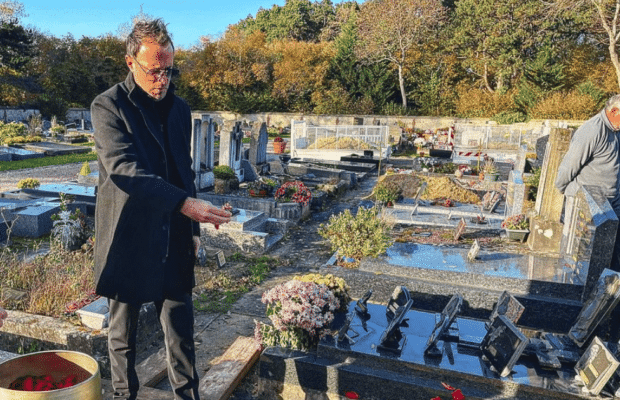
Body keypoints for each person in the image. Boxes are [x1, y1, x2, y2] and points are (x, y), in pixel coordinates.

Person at [91, 18, 231, 400]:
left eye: (169, 70)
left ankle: (188, 396)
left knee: (181, 332)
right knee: (122, 335)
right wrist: (187, 205)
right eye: (154, 71)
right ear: (130, 62)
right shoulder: (108, 106)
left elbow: (182, 169)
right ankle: (124, 397)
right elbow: (124, 171)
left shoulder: (180, 109)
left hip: (174, 235)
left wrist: (195, 231)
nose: (162, 79)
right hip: (128, 234)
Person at [555, 94, 620, 270]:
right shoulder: (592, 130)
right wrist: (563, 189)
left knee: (613, 251)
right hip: (589, 201)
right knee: (580, 253)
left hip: (613, 199)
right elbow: (570, 164)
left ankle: (610, 288)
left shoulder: (615, 130)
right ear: (614, 111)